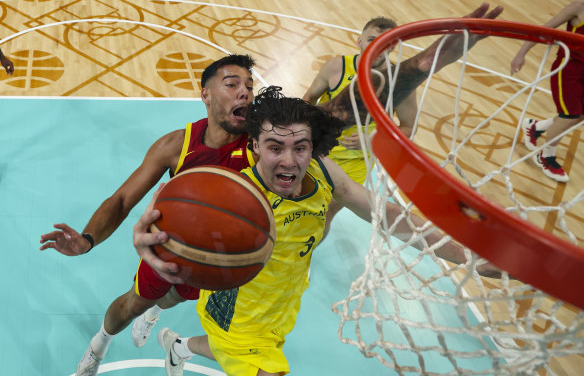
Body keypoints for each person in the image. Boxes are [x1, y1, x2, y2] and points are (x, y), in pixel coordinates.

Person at [131, 86, 501, 376]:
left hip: (283, 301)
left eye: (300, 147)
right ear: (255, 146)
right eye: (275, 147)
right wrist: (150, 240)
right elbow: (171, 217)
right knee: (263, 366)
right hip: (236, 313)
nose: (289, 160)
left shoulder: (323, 173)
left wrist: (469, 257)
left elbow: (388, 215)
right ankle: (179, 341)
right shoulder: (232, 197)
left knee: (225, 349)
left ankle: (179, 346)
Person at [40, 54, 258, 376]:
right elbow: (123, 199)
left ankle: (155, 310)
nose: (245, 93)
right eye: (233, 84)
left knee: (172, 300)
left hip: (217, 262)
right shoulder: (177, 146)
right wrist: (87, 240)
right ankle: (99, 344)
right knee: (131, 305)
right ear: (206, 95)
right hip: (169, 250)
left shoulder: (262, 147)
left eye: (250, 86)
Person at [303, 16, 418, 237]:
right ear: (359, 41)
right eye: (372, 39)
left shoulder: (400, 83)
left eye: (386, 43)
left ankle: (303, 259)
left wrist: (375, 140)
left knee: (324, 214)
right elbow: (307, 100)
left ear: (393, 48)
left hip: (355, 163)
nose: (377, 47)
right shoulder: (336, 67)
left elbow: (408, 128)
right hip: (317, 151)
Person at [511, 0, 584, 183]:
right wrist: (521, 54)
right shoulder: (578, 7)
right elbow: (544, 30)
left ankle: (535, 127)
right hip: (568, 69)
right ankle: (545, 156)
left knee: (580, 115)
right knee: (570, 116)